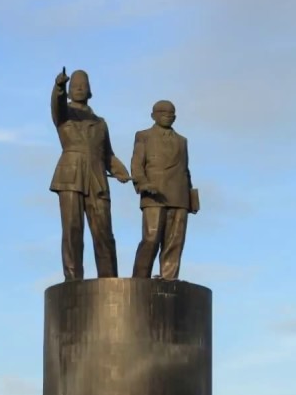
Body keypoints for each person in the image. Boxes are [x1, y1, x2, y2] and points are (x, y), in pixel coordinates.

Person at [49, 67, 131, 280]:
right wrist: (58, 86)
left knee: (103, 232)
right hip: (70, 176)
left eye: (83, 86)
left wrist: (120, 170)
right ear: (69, 90)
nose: (79, 89)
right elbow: (56, 106)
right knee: (72, 231)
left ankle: (109, 280)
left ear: (89, 90)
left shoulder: (100, 123)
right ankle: (73, 280)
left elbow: (108, 155)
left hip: (97, 178)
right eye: (74, 86)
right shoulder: (64, 116)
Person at [130, 100, 196, 280]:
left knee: (175, 241)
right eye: (163, 112)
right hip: (154, 194)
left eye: (171, 113)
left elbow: (185, 169)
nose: (168, 116)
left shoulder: (182, 141)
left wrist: (192, 198)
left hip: (179, 195)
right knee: (151, 239)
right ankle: (140, 279)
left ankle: (169, 278)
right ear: (153, 115)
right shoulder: (144, 136)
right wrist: (142, 183)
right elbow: (137, 164)